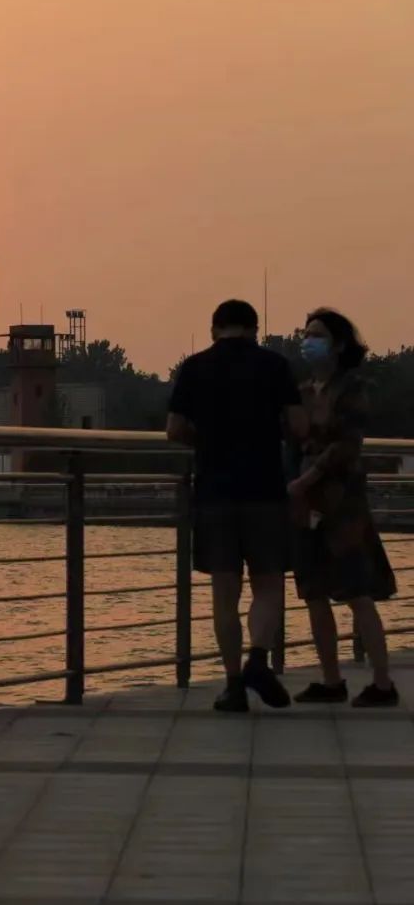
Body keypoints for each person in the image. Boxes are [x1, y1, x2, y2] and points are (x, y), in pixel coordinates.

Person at [167, 299, 306, 712]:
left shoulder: (194, 367)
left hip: (214, 493)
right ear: (254, 329)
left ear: (215, 329)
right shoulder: (275, 366)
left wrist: (206, 441)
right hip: (265, 490)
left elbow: (174, 428)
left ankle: (232, 686)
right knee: (268, 584)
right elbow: (299, 426)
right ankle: (258, 659)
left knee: (224, 593)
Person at [288, 308, 398, 707]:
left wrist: (307, 479)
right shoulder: (301, 392)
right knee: (313, 592)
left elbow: (346, 445)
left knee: (356, 592)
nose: (308, 341)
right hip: (305, 504)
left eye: (317, 334)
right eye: (306, 334)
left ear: (338, 344)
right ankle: (330, 679)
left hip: (342, 502)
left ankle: (382, 683)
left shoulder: (353, 388)